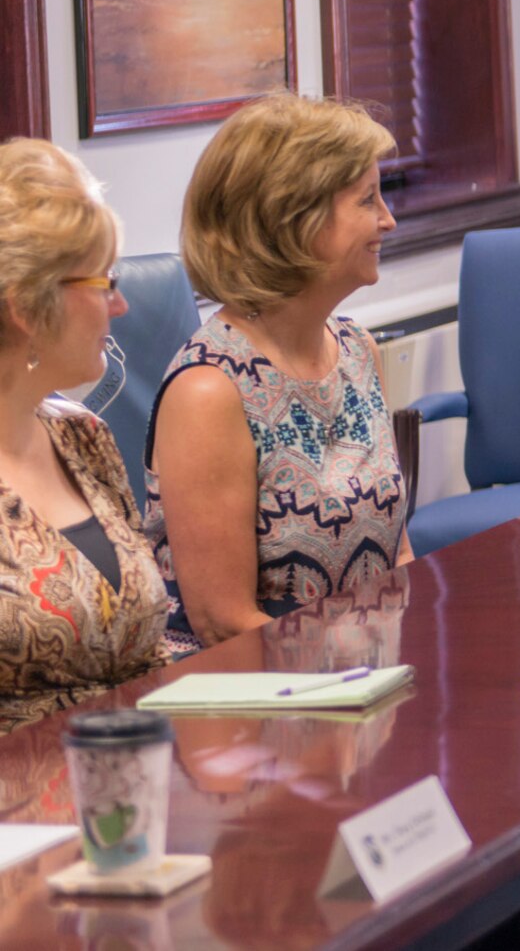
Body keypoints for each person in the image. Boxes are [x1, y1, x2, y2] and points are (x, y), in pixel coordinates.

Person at [147, 95, 412, 655]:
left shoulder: (358, 350)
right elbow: (223, 623)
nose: (388, 219)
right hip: (254, 705)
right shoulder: (208, 391)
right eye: (367, 200)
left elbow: (397, 559)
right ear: (293, 222)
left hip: (364, 680)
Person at [0, 140, 169, 731]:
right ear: (28, 307)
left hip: (133, 783)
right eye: (105, 283)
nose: (120, 305)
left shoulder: (82, 435)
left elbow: (147, 648)